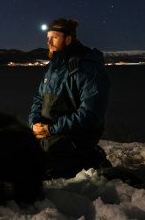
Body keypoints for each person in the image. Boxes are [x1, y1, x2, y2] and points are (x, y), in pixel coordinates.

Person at [28, 18, 112, 179]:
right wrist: (34, 123)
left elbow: (90, 115)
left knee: (35, 170)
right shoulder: (53, 67)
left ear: (68, 39)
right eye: (48, 36)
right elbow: (39, 98)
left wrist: (51, 129)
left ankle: (90, 159)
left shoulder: (89, 69)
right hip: (49, 134)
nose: (48, 41)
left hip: (74, 137)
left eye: (54, 37)